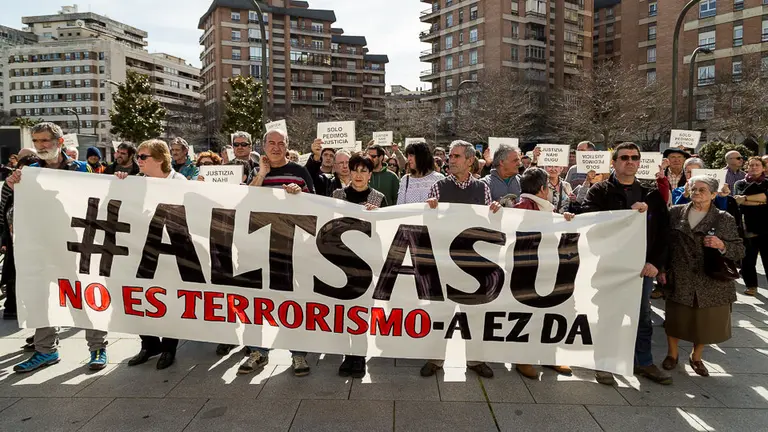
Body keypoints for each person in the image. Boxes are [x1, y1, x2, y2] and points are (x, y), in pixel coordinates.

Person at [5, 122, 109, 373]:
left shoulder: (84, 169)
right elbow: (13, 211)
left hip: (77, 246)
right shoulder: (28, 172)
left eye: (45, 141)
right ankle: (45, 351)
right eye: (36, 141)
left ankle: (97, 347)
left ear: (60, 142)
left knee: (86, 294)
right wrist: (13, 186)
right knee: (42, 298)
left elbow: (103, 201)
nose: (40, 146)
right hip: (42, 247)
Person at [580, 142, 671, 385]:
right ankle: (604, 363)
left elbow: (663, 232)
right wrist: (625, 217)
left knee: (642, 317)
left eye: (634, 158)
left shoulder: (651, 194)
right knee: (609, 315)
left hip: (642, 269)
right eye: (624, 158)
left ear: (640, 162)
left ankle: (644, 361)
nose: (630, 161)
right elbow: (590, 223)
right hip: (609, 266)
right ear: (614, 162)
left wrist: (655, 263)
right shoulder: (600, 191)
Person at [420, 140, 502, 380]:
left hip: (473, 264)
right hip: (446, 262)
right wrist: (430, 211)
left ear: (469, 161)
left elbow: (487, 226)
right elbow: (427, 226)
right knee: (441, 313)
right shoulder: (438, 187)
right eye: (449, 156)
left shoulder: (482, 190)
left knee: (474, 314)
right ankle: (436, 359)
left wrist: (495, 213)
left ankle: (475, 360)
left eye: (456, 156)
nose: (450, 160)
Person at [241, 129, 314, 376]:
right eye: (271, 143)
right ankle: (258, 352)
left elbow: (316, 207)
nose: (275, 147)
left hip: (291, 248)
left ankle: (299, 355)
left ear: (287, 146)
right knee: (258, 302)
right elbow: (246, 199)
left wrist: (299, 194)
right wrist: (262, 173)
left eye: (280, 143)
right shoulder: (255, 171)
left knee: (293, 302)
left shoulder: (300, 172)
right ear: (263, 146)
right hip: (260, 248)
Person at [662, 175, 745, 377]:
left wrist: (722, 245)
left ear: (714, 194)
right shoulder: (675, 213)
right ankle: (672, 355)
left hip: (710, 278)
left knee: (704, 322)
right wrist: (663, 269)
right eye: (694, 189)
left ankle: (696, 357)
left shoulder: (724, 218)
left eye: (702, 190)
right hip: (680, 275)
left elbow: (740, 250)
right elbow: (663, 244)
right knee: (676, 319)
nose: (697, 193)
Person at [116, 140, 186, 369]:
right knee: (140, 296)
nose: (139, 161)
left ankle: (168, 347)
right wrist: (119, 185)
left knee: (168, 299)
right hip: (142, 250)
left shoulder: (180, 182)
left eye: (143, 157)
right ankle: (148, 344)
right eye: (138, 156)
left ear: (159, 159)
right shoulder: (136, 183)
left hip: (170, 251)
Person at [512, 167, 575, 378]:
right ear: (542, 188)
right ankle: (523, 359)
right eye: (548, 186)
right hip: (530, 269)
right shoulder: (524, 207)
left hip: (545, 266)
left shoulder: (541, 207)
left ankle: (549, 357)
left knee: (549, 313)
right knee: (530, 314)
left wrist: (562, 218)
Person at [332, 153, 386, 379]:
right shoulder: (338, 195)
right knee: (343, 312)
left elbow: (387, 230)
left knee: (361, 312)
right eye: (355, 170)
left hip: (365, 264)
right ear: (349, 172)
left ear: (370, 175)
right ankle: (347, 355)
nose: (359, 175)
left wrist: (378, 217)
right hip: (340, 261)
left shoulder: (378, 198)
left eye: (364, 171)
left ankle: (360, 356)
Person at [0, 151, 39, 321]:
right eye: (20, 170)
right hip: (14, 241)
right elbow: (3, 212)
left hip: (37, 244)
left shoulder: (42, 190)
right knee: (14, 273)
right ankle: (13, 306)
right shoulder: (9, 187)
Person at [733, 156, 768, 297]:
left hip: (766, 227)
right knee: (747, 259)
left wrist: (747, 198)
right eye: (751, 165)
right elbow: (737, 199)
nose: (754, 167)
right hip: (746, 226)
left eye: (757, 165)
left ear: (763, 168)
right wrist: (760, 201)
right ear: (747, 167)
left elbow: (766, 197)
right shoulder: (739, 183)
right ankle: (751, 285)